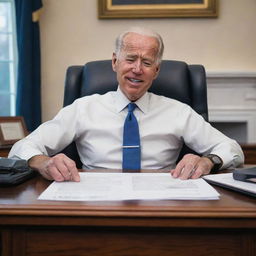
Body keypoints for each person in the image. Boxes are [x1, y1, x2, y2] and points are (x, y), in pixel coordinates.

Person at [9, 27, 244, 182]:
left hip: (163, 202)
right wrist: (45, 162)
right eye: (130, 59)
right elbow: (22, 148)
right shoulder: (83, 108)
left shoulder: (178, 111)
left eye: (147, 62)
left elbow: (232, 149)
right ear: (114, 62)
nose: (137, 69)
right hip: (94, 202)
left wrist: (207, 160)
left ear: (157, 71)